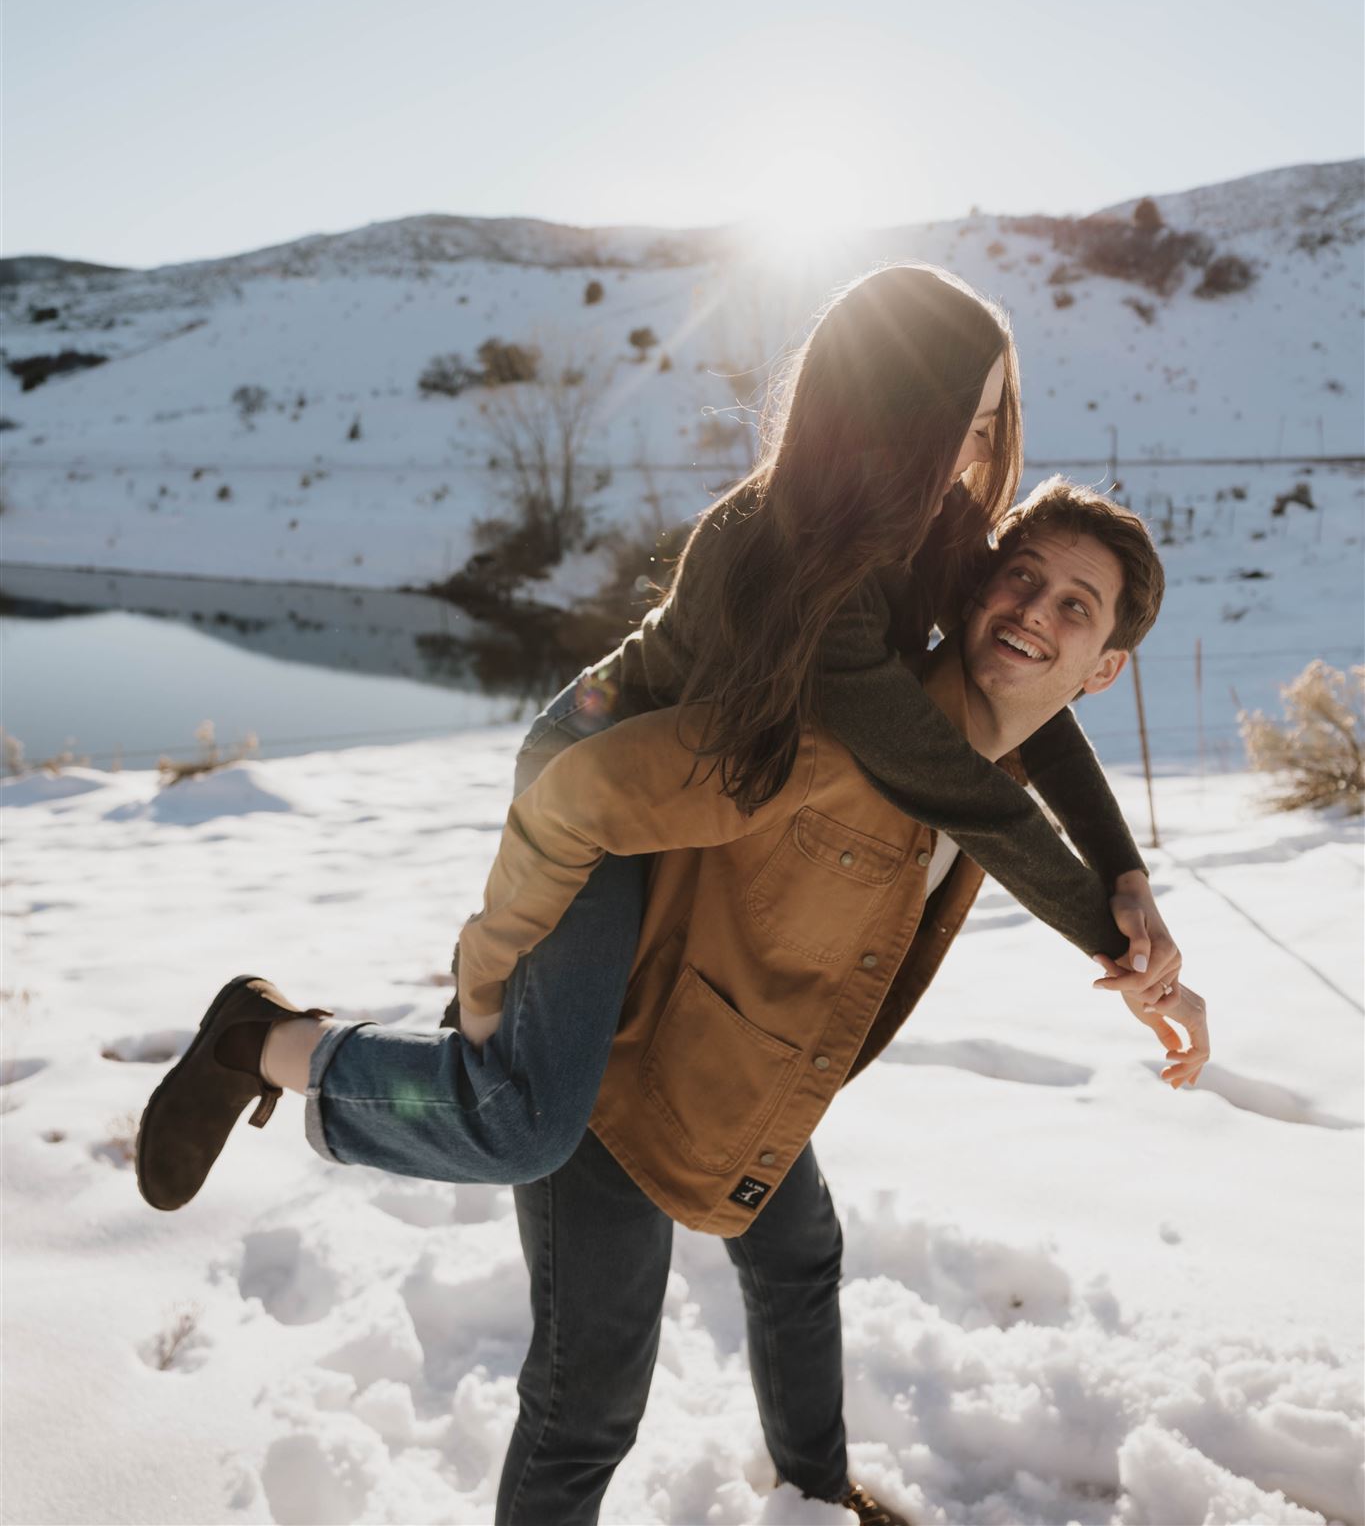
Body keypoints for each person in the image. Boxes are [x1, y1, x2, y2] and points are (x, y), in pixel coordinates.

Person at [136, 263, 1182, 1211]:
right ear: (898, 411)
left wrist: (1124, 872)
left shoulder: (927, 526)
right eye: (964, 419)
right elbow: (949, 776)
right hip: (602, 787)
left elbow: (1024, 703)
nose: (978, 456)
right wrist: (1109, 936)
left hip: (697, 796)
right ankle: (258, 1041)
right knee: (524, 1118)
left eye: (994, 427)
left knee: (550, 1079)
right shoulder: (798, 551)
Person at [462, 479, 1208, 1523]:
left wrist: (1125, 902)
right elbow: (578, 788)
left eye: (1075, 607)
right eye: (1021, 577)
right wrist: (487, 973)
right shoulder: (844, 720)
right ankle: (280, 1048)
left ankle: (815, 1492)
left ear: (1106, 669)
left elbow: (1016, 753)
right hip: (612, 1062)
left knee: (800, 1253)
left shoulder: (983, 749)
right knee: (588, 1400)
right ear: (975, 587)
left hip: (739, 1068)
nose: (1035, 610)